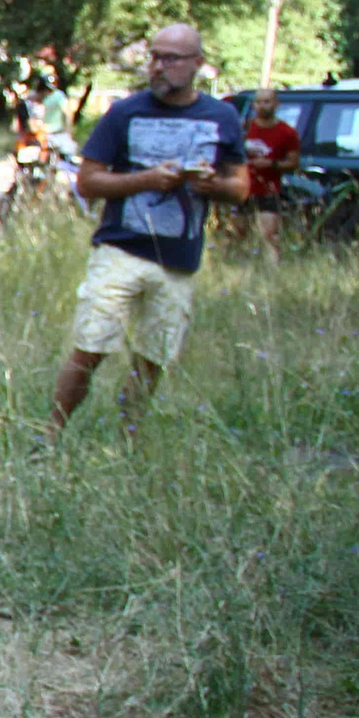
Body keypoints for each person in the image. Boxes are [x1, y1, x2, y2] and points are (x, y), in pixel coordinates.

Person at [48, 23, 248, 434]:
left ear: (197, 64)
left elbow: (240, 187)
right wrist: (146, 180)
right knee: (90, 346)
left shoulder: (221, 117)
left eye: (170, 59)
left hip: (178, 260)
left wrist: (213, 186)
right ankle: (51, 432)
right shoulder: (125, 112)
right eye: (153, 57)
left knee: (153, 357)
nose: (157, 67)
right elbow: (88, 181)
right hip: (121, 250)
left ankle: (129, 436)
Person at [241, 87, 301, 262]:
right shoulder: (244, 128)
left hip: (268, 190)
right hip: (241, 187)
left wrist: (272, 164)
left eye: (267, 102)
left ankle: (272, 273)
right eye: (258, 102)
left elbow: (293, 163)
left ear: (276, 104)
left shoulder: (287, 132)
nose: (262, 106)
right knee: (237, 234)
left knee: (269, 235)